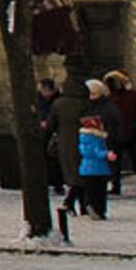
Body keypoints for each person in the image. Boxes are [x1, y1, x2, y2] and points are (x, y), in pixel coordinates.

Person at [47, 71, 93, 221]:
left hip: (64, 142)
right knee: (82, 174)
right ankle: (73, 203)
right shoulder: (85, 104)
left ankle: (77, 204)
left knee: (72, 174)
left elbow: (51, 124)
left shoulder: (58, 103)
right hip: (83, 141)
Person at [75, 87, 113, 221]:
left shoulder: (83, 138)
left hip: (86, 168)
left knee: (91, 190)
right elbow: (96, 151)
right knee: (99, 191)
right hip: (99, 168)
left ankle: (91, 206)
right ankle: (98, 209)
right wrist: (107, 154)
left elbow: (85, 151)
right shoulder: (96, 138)